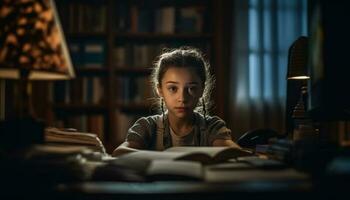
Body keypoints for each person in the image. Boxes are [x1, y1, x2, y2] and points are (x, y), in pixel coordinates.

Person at [112, 47, 240, 157]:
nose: (182, 98)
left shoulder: (212, 127)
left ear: (202, 90)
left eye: (191, 88)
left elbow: (235, 153)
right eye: (173, 88)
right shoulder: (147, 126)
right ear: (160, 90)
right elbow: (120, 152)